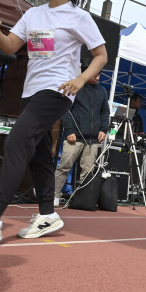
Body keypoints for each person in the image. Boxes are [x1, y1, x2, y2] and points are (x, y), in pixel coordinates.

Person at [0, 0, 108, 243]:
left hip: (57, 91)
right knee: (41, 158)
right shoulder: (33, 14)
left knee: (16, 141)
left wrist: (79, 79)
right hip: (31, 92)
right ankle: (48, 215)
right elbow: (12, 46)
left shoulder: (78, 17)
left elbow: (101, 55)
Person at [54, 67, 109, 206]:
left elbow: (105, 112)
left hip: (93, 139)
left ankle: (84, 199)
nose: (97, 78)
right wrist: (70, 130)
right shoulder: (75, 86)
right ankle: (54, 196)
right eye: (95, 75)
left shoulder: (102, 91)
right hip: (75, 136)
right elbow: (65, 110)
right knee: (64, 167)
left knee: (88, 172)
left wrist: (103, 129)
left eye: (99, 75)